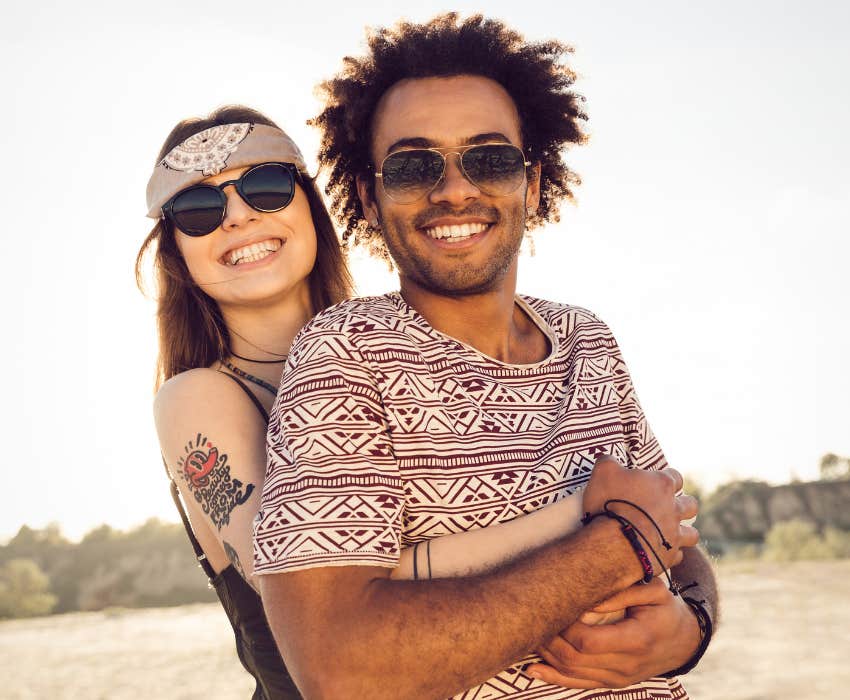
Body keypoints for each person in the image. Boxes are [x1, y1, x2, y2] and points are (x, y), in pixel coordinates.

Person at [254, 14, 717, 700]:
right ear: (370, 200)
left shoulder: (588, 338)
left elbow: (677, 534)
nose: (454, 190)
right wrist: (617, 544)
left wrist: (692, 633)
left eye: (490, 158)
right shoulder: (345, 352)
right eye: (414, 166)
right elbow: (339, 671)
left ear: (532, 184)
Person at [139, 105, 626, 699]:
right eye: (198, 210)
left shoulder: (397, 352)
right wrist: (599, 521)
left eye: (265, 187)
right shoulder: (197, 398)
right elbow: (309, 592)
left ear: (309, 206)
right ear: (176, 253)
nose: (237, 217)